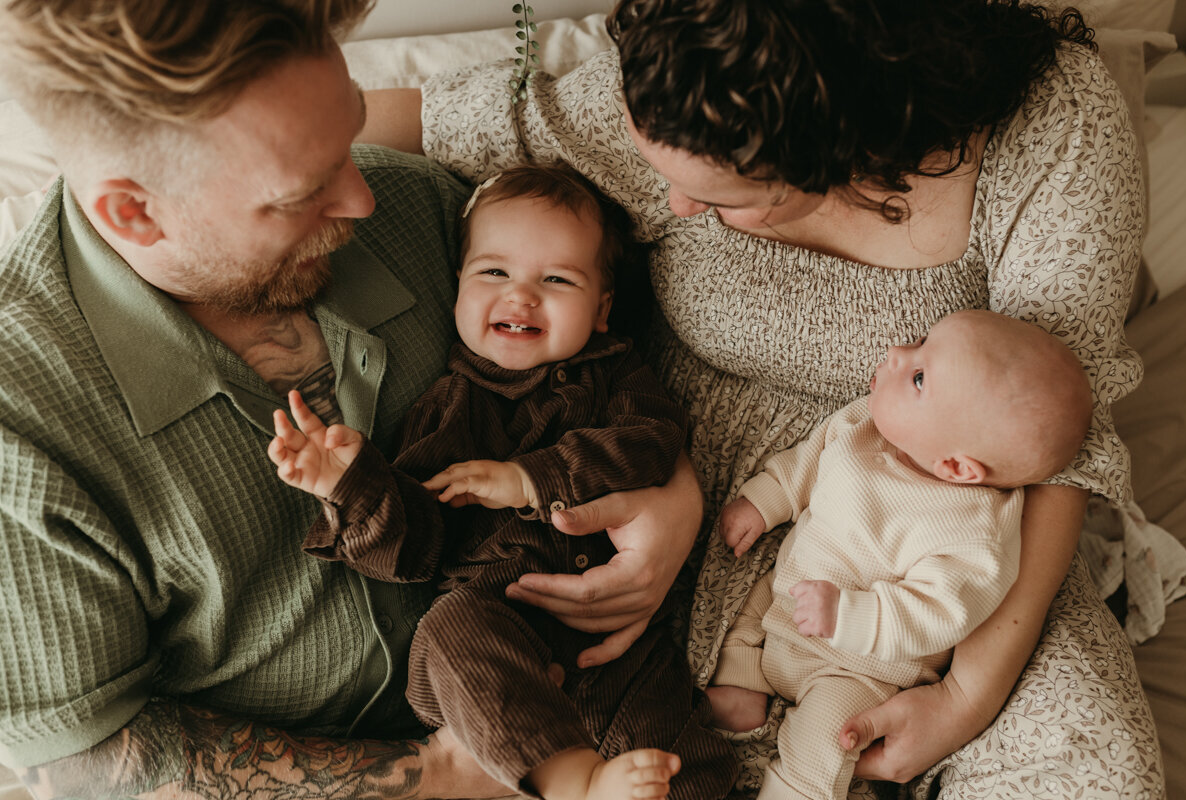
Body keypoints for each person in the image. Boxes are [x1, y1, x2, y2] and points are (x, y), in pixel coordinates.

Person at [362, 0, 1161, 795]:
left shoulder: (1059, 126)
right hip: (667, 546)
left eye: (726, 196)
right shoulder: (692, 65)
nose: (673, 206)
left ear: (857, 143)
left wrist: (961, 699)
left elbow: (1064, 444)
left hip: (940, 558)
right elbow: (441, 117)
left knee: (1094, 771)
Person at [0, 2, 704, 797]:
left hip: (602, 708)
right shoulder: (19, 432)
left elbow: (611, 361)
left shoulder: (423, 213)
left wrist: (672, 496)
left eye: (351, 139)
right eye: (303, 191)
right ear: (135, 211)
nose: (363, 198)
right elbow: (86, 760)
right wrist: (444, 775)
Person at [267, 162, 736, 800]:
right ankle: (571, 780)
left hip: (617, 653)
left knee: (684, 764)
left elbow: (652, 445)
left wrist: (530, 480)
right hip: (495, 633)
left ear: (601, 310)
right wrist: (351, 486)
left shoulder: (615, 374)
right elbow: (417, 548)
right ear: (458, 289)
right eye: (495, 272)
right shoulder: (449, 406)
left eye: (557, 279)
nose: (520, 296)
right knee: (447, 630)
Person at [703, 309, 1092, 799]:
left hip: (856, 668)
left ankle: (794, 790)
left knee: (830, 735)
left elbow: (938, 612)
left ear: (956, 466)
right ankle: (742, 685)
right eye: (921, 343)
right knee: (742, 605)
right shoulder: (864, 423)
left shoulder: (976, 534)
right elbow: (809, 457)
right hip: (787, 595)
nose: (897, 353)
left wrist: (848, 614)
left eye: (920, 376)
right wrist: (765, 501)